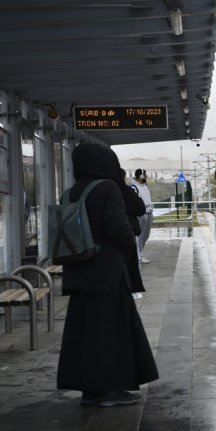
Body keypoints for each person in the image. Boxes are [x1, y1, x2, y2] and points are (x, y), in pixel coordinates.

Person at [57, 143, 158, 406]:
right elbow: (120, 231)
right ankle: (111, 391)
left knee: (85, 334)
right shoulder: (107, 188)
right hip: (107, 274)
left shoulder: (69, 193)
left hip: (78, 272)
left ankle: (90, 392)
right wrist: (128, 240)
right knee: (111, 333)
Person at [117, 169, 146, 300]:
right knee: (133, 260)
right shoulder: (129, 192)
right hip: (129, 232)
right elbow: (140, 209)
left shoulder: (100, 191)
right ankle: (132, 290)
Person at [131, 169, 153, 264]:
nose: (146, 177)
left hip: (149, 213)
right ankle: (139, 254)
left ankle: (141, 252)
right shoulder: (134, 187)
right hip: (141, 215)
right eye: (145, 175)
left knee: (146, 235)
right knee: (140, 234)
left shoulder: (145, 186)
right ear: (141, 177)